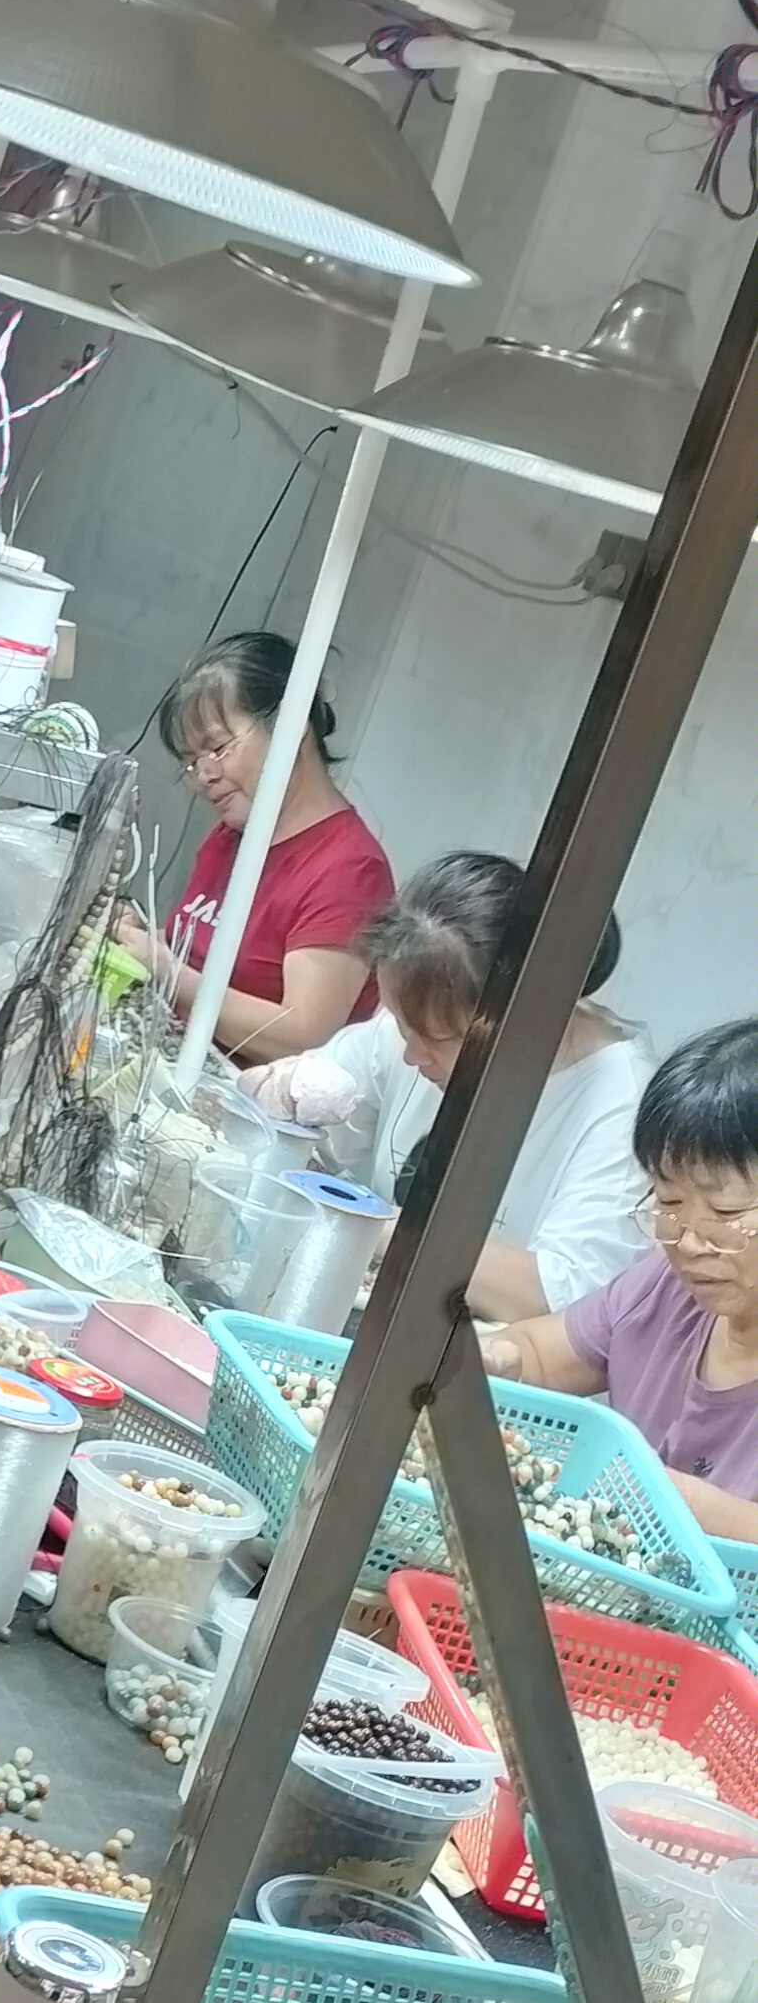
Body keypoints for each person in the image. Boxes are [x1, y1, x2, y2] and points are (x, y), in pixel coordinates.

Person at [247, 853, 648, 1322]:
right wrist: (283, 1089)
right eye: (402, 1026)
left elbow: (565, 1294)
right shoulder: (420, 1015)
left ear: (525, 1022)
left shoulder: (623, 1107)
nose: (410, 1055)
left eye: (436, 1039)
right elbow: (281, 1108)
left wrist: (370, 1228)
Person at [478, 1023, 758, 1543]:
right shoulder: (666, 1287)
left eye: (724, 1212)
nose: (688, 1242)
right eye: (669, 1203)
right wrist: (498, 1359)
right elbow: (538, 1353)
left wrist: (667, 1496)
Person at [143, 630, 394, 1063]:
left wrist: (162, 968)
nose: (203, 776)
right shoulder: (230, 836)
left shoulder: (350, 869)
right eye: (191, 763)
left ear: (291, 727)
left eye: (218, 748)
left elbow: (302, 1033)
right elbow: (195, 952)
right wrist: (138, 939)